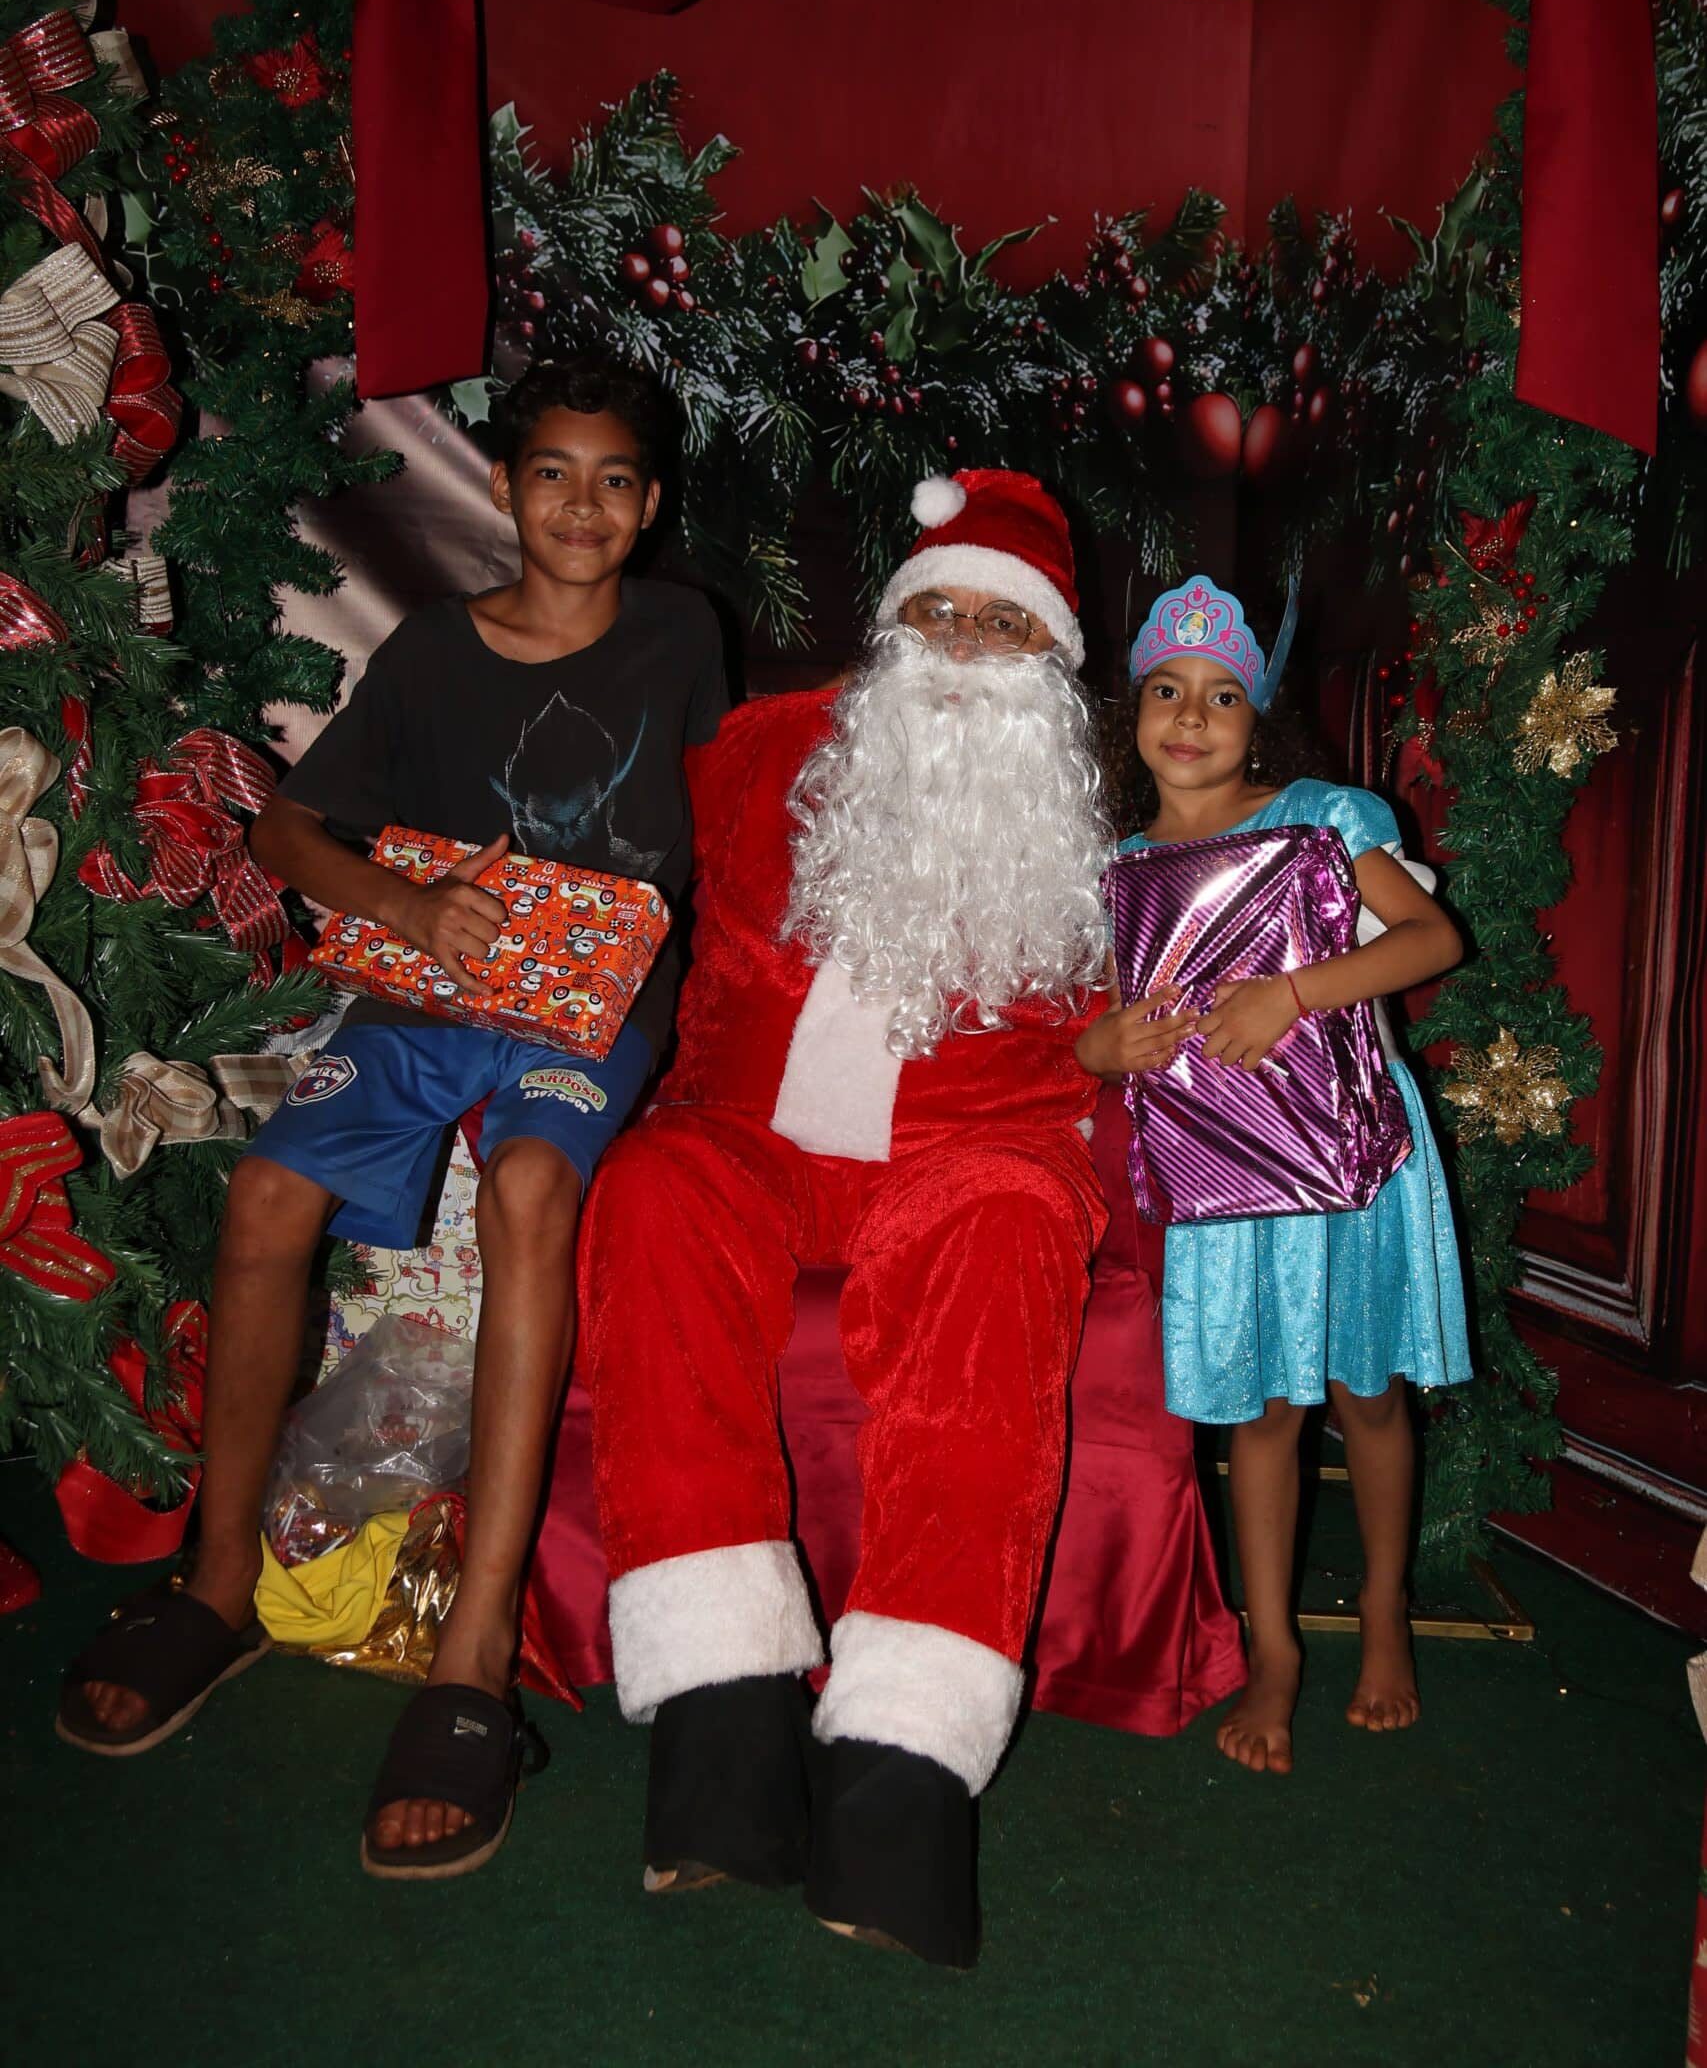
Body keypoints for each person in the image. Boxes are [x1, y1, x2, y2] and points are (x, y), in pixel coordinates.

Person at [57, 358, 727, 1881]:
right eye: (550, 472)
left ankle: (475, 1648)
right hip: (425, 991)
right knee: (264, 1200)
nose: (582, 505)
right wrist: (410, 910)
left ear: (650, 505)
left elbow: (731, 812)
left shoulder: (683, 635)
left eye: (615, 479)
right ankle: (217, 1580)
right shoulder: (431, 650)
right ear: (500, 488)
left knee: (530, 1185)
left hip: (591, 1008)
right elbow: (291, 827)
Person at [580, 468, 1112, 1968]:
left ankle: (900, 1779)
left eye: (1002, 625)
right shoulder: (766, 751)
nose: (961, 650)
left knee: (1007, 1239)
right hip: (747, 1136)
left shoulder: (1100, 811)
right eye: (937, 615)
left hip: (974, 1150)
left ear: (1052, 661)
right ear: (888, 629)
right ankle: (723, 1732)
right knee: (651, 1189)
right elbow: (598, 821)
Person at [1080, 574, 1471, 1778]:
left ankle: (1386, 1610)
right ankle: (1276, 1649)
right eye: (1167, 690)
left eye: (1221, 696)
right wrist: (1099, 1048)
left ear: (1258, 720)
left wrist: (1291, 993)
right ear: (1134, 714)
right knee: (1261, 1413)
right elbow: (1097, 1020)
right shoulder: (1118, 866)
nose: (1191, 716)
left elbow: (1433, 938)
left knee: (1367, 1392)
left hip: (1349, 1157)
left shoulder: (1320, 818)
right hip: (1223, 1177)